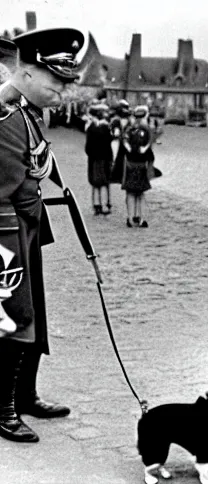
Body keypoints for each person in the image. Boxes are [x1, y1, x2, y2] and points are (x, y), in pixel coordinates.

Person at [0, 27, 85, 443]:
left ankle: (25, 394)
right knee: (14, 316)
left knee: (36, 313)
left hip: (26, 224)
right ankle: (3, 409)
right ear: (29, 72)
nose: (63, 93)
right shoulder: (6, 116)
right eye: (57, 83)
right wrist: (11, 245)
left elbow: (35, 166)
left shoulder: (29, 110)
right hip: (6, 231)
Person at [122, 105, 154, 227]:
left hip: (130, 164)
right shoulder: (146, 131)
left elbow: (125, 146)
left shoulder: (129, 130)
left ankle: (130, 218)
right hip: (141, 165)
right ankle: (141, 219)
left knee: (130, 193)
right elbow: (149, 149)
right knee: (140, 194)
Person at [85, 103, 113, 215]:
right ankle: (106, 205)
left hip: (93, 159)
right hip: (105, 159)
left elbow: (87, 148)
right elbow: (109, 143)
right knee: (105, 182)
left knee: (95, 183)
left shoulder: (90, 128)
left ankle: (96, 205)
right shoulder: (106, 128)